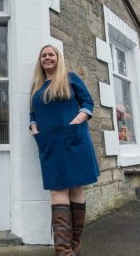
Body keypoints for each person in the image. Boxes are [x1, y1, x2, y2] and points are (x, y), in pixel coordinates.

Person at [29, 44, 99, 256]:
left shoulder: (70, 77)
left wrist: (76, 121)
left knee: (76, 189)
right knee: (58, 190)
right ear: (40, 61)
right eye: (44, 55)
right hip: (50, 144)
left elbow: (88, 102)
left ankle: (72, 248)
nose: (47, 58)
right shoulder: (36, 86)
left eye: (51, 54)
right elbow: (32, 113)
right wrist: (34, 128)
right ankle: (64, 251)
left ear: (58, 58)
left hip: (74, 141)